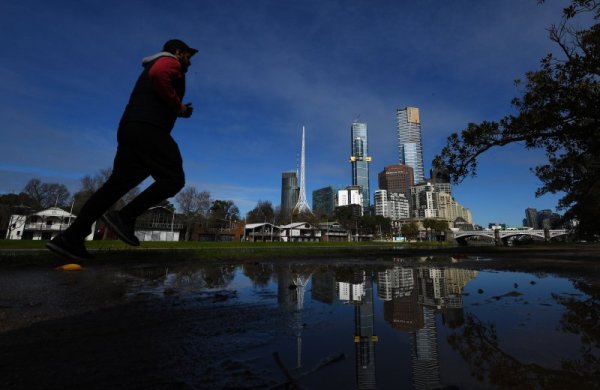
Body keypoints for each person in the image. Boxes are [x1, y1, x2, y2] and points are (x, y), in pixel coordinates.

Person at [47, 39, 198, 261]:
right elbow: (159, 75)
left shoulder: (155, 65)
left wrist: (176, 110)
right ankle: (125, 217)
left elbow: (156, 83)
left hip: (131, 128)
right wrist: (179, 107)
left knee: (115, 186)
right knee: (173, 179)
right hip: (150, 129)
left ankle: (71, 238)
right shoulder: (169, 61)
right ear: (178, 52)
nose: (189, 63)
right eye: (188, 56)